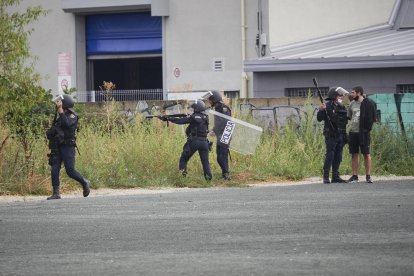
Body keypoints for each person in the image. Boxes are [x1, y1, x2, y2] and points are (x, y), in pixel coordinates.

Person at [46, 94, 90, 199]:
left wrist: (60, 110)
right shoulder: (60, 116)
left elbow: (66, 125)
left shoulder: (72, 116)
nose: (59, 104)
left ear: (65, 104)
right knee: (54, 168)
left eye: (61, 103)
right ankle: (56, 193)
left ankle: (84, 182)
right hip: (58, 146)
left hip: (68, 147)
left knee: (70, 171)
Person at [163, 99, 212, 181]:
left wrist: (168, 118)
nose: (192, 110)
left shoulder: (193, 117)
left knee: (183, 159)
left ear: (196, 108)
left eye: (194, 108)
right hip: (204, 142)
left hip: (195, 141)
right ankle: (209, 180)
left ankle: (183, 178)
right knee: (205, 162)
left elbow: (180, 121)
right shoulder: (206, 117)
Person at [317, 87, 348, 184]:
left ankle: (335, 176)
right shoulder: (327, 106)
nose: (341, 97)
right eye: (339, 95)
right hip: (330, 134)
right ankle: (326, 176)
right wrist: (321, 110)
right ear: (334, 96)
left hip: (340, 134)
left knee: (338, 155)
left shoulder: (341, 107)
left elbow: (344, 121)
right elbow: (319, 118)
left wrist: (344, 135)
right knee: (330, 154)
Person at [347, 86, 377, 183]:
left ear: (359, 93)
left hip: (364, 133)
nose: (351, 94)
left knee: (366, 154)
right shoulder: (351, 104)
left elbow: (373, 117)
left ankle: (368, 176)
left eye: (353, 93)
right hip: (353, 132)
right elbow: (349, 117)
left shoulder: (368, 103)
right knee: (354, 154)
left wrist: (367, 129)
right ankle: (355, 176)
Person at [203, 90, 232, 180]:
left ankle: (226, 175)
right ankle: (225, 174)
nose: (209, 102)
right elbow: (219, 122)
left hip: (225, 135)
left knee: (221, 156)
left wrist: (214, 131)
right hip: (222, 135)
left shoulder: (223, 108)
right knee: (220, 156)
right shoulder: (218, 108)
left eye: (210, 100)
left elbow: (223, 122)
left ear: (214, 99)